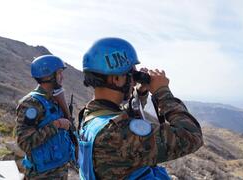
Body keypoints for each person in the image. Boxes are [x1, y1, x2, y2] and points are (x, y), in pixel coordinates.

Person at [78, 37, 203, 179]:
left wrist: (140, 94)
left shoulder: (89, 115)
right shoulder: (115, 134)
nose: (133, 80)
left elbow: (122, 120)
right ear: (116, 79)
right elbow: (192, 135)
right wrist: (162, 92)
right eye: (132, 74)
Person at [15, 55, 75, 179]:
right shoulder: (31, 104)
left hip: (59, 170)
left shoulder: (53, 100)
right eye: (59, 73)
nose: (62, 77)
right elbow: (25, 142)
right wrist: (57, 125)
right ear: (48, 76)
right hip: (42, 175)